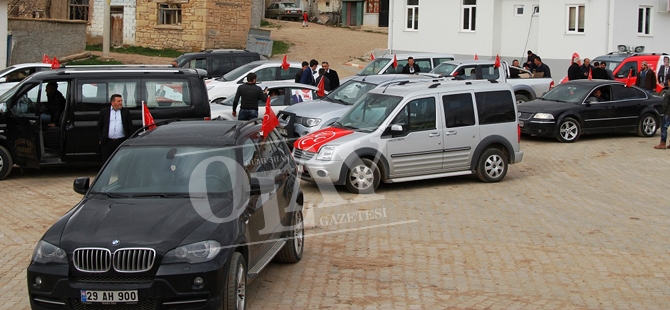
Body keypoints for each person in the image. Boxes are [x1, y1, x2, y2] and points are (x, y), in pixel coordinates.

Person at [98, 94, 132, 162]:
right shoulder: (104, 112)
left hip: (121, 141)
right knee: (108, 161)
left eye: (121, 101)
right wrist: (100, 139)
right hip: (108, 142)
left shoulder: (125, 112)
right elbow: (99, 126)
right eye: (118, 101)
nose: (121, 103)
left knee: (122, 160)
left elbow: (130, 127)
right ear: (112, 102)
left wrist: (130, 140)